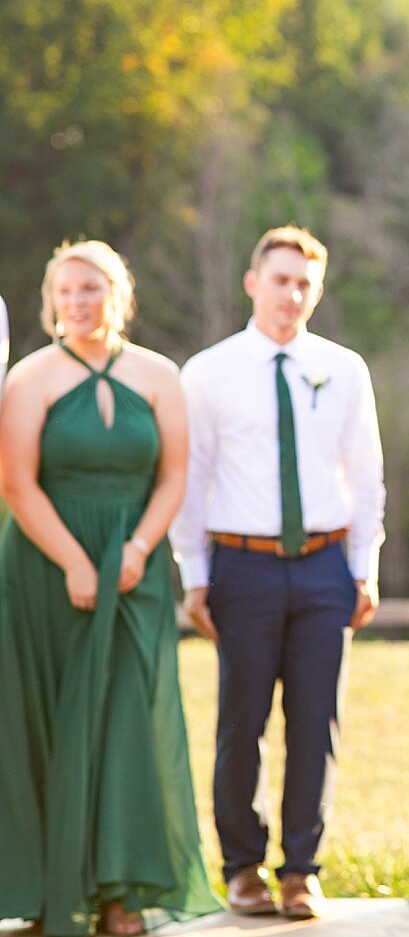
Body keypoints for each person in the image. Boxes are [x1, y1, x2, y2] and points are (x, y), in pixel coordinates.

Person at [0, 241, 220, 936]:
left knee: (128, 719)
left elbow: (175, 476)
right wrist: (73, 561)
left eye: (91, 288)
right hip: (45, 567)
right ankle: (48, 892)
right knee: (53, 720)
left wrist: (136, 549)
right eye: (65, 290)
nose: (78, 302)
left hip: (135, 568)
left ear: (118, 293)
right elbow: (16, 483)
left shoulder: (159, 375)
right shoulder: (29, 379)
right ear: (50, 300)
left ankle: (121, 890)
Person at [168, 225, 386, 920]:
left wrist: (364, 568)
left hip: (325, 565)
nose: (291, 294)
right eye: (280, 279)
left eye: (304, 283)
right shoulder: (207, 371)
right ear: (252, 282)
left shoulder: (344, 367)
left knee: (316, 721)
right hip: (243, 565)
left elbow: (368, 475)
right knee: (243, 719)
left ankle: (301, 869)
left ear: (316, 291)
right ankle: (242, 867)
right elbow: (191, 476)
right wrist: (194, 575)